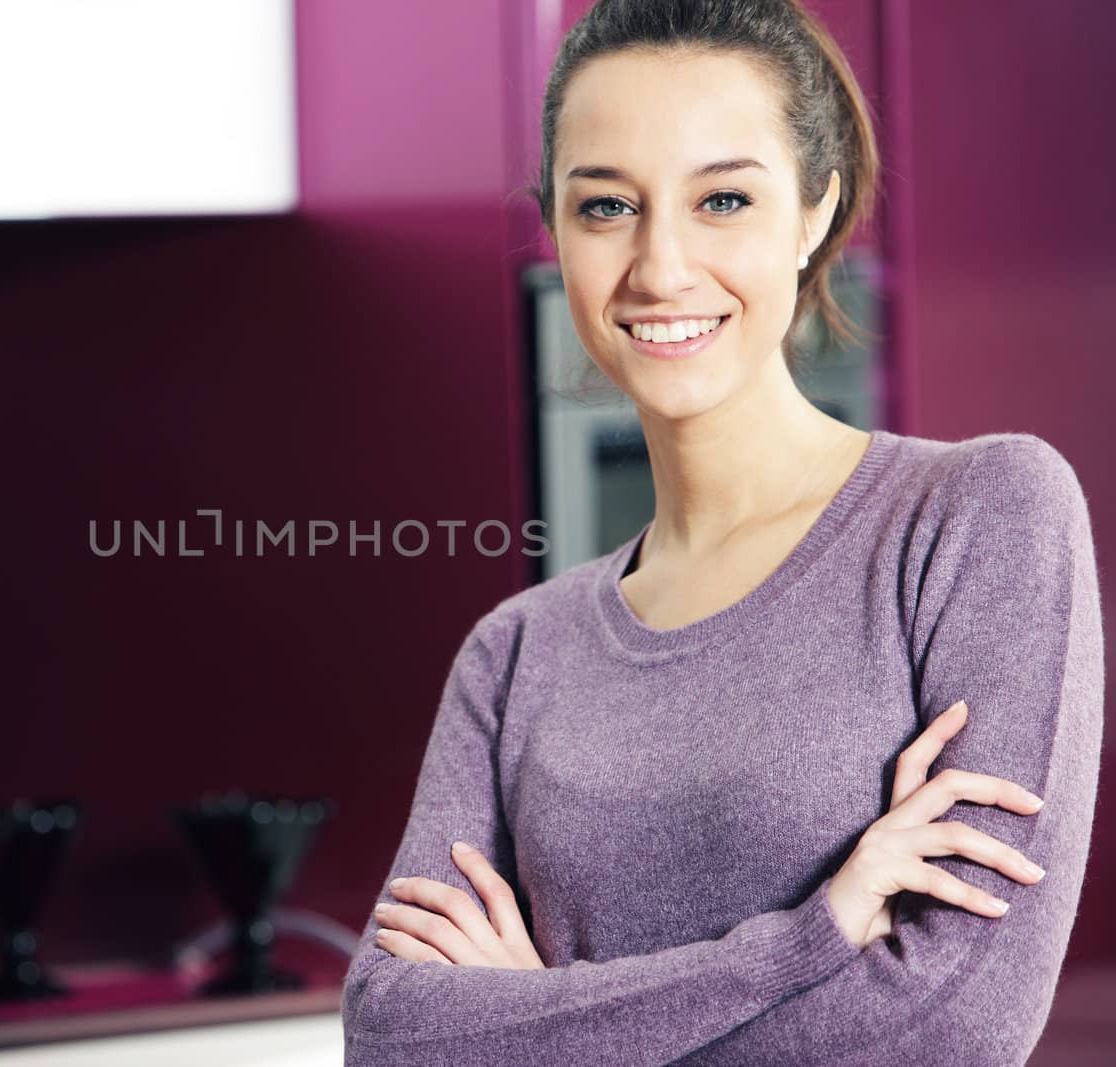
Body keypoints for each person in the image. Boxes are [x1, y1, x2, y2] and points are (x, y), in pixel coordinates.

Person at [339, 1, 1104, 1064]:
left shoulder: (977, 519)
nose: (659, 267)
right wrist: (813, 939)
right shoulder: (514, 654)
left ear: (812, 212)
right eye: (605, 206)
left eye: (724, 199)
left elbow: (955, 1025)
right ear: (555, 229)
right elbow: (391, 1032)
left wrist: (535, 1017)